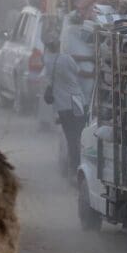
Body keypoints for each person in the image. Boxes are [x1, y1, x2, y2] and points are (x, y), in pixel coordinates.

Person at [42, 41, 86, 178]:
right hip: (76, 102)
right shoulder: (66, 58)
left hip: (61, 106)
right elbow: (78, 72)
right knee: (80, 136)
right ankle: (79, 167)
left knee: (70, 137)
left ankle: (72, 168)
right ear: (59, 44)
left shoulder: (47, 60)